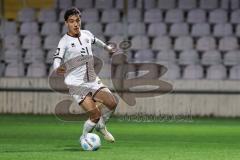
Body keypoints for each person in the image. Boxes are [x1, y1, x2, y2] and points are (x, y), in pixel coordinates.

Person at [53, 7, 117, 142]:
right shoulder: (64, 41)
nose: (76, 24)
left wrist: (107, 48)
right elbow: (57, 58)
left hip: (91, 79)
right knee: (95, 114)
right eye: (71, 21)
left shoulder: (86, 34)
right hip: (76, 83)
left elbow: (96, 41)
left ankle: (101, 127)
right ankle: (84, 138)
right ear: (66, 23)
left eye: (77, 20)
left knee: (112, 103)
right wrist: (57, 68)